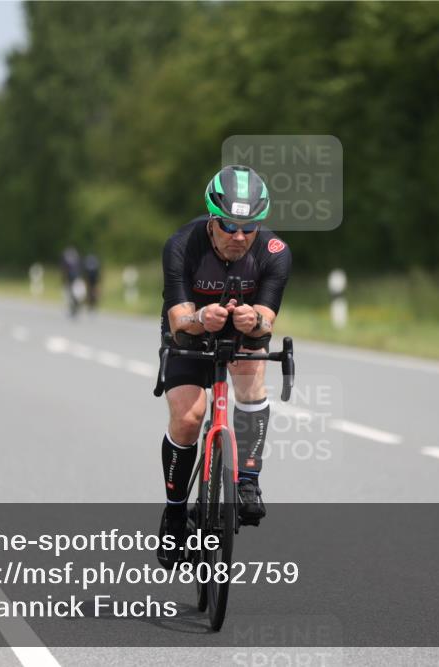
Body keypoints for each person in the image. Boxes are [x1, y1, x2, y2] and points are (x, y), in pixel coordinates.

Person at [156, 165, 291, 568]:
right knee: (189, 416)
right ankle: (176, 512)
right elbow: (179, 321)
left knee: (251, 382)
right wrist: (201, 319)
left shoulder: (275, 253)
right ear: (212, 220)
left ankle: (248, 480)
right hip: (192, 326)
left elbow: (268, 319)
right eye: (229, 225)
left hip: (242, 324)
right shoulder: (181, 245)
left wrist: (256, 321)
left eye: (249, 227)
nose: (239, 236)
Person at [61, 246, 83, 317]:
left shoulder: (69, 261)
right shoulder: (76, 260)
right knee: (72, 296)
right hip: (73, 280)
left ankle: (74, 308)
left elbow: (64, 271)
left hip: (74, 280)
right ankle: (73, 309)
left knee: (74, 295)